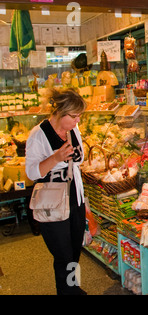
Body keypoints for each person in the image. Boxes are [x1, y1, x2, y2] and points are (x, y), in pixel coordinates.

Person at [25, 88, 87, 295]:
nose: (78, 120)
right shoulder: (38, 135)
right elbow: (32, 172)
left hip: (74, 197)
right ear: (61, 112)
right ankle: (66, 291)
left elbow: (79, 161)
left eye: (80, 115)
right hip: (52, 202)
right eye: (74, 116)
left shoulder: (73, 130)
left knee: (75, 249)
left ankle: (73, 288)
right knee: (63, 253)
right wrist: (56, 158)